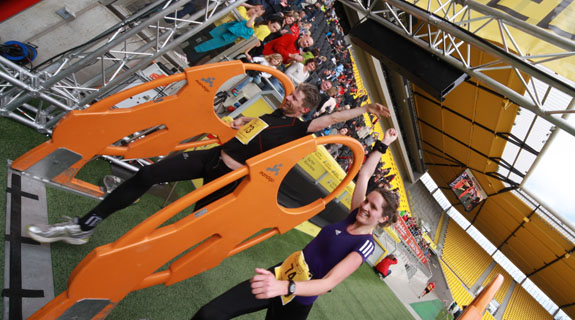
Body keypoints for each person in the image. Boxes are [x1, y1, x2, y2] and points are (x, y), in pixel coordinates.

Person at [89, 129, 401, 320]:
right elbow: (364, 174)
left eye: (373, 207)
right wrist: (383, 145)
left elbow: (328, 283)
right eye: (367, 201)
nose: (365, 206)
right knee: (208, 315)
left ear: (383, 219)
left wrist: (284, 287)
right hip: (279, 275)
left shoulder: (365, 245)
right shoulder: (353, 215)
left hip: (294, 302)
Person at [27, 90, 391, 245]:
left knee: (189, 228)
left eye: (296, 97)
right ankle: (85, 225)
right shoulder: (272, 114)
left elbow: (333, 118)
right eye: (291, 91)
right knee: (148, 174)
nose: (289, 96)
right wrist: (243, 121)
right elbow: (256, 131)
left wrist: (364, 109)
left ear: (305, 110)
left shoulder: (300, 127)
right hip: (211, 157)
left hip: (227, 180)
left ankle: (140, 261)